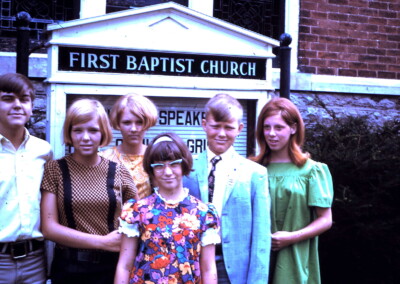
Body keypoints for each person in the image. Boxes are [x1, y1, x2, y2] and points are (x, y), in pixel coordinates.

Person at [40, 99, 138, 284]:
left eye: (93, 130)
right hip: (69, 268)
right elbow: (49, 228)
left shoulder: (119, 171)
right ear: (69, 132)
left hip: (111, 268)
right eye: (78, 130)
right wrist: (103, 242)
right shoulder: (55, 170)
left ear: (103, 133)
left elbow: (137, 220)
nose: (85, 137)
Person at [183, 93, 271, 284]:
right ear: (204, 124)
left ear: (239, 129)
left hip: (233, 268)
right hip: (190, 264)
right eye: (215, 126)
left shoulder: (255, 174)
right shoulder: (186, 170)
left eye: (228, 128)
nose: (221, 134)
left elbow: (261, 239)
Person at [115, 132, 220, 284]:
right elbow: (124, 265)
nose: (168, 172)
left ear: (184, 165)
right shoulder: (138, 211)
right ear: (151, 170)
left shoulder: (203, 213)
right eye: (159, 166)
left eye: (174, 164)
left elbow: (209, 268)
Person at [250, 97, 333, 284]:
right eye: (266, 127)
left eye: (279, 127)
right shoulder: (252, 169)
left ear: (293, 128)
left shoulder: (311, 171)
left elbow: (325, 220)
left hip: (295, 259)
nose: (271, 134)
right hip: (257, 261)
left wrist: (291, 238)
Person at [0, 73, 52, 284]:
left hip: (35, 260)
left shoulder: (43, 150)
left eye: (24, 99)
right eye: (7, 99)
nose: (17, 105)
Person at [100, 93, 158, 199]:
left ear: (148, 122)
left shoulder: (155, 156)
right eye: (127, 123)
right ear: (118, 124)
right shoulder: (104, 158)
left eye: (139, 122)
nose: (133, 129)